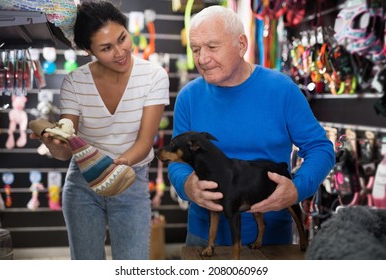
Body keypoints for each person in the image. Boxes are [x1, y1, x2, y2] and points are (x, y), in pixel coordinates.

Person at [168, 5, 335, 248]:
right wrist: (187, 185)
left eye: (212, 47)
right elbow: (177, 162)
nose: (202, 59)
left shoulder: (281, 89)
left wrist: (297, 189)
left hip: (271, 241)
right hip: (204, 239)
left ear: (242, 45)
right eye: (196, 50)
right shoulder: (188, 97)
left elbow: (321, 148)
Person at [30, 1, 169, 259]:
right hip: (83, 184)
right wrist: (54, 143)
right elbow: (65, 150)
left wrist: (114, 167)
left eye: (122, 38)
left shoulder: (154, 76)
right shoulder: (75, 82)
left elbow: (144, 143)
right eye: (106, 48)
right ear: (87, 50)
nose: (120, 52)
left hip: (130, 178)